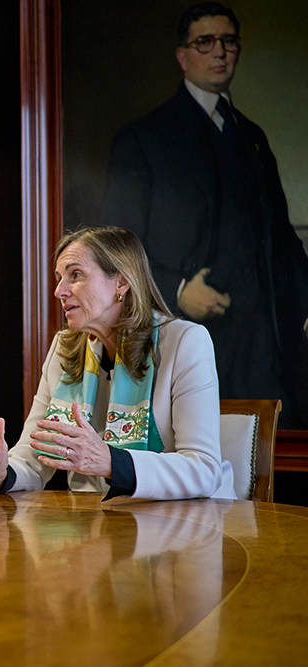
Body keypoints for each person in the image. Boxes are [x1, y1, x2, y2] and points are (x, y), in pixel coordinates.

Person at [98, 2, 308, 428]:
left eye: (228, 42)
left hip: (262, 341)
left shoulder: (251, 137)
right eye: (205, 42)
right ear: (182, 56)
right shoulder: (145, 137)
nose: (219, 52)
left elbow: (282, 238)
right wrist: (176, 290)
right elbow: (117, 245)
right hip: (186, 337)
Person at [0, 227, 234, 500]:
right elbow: (32, 458)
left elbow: (204, 470)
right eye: (59, 278)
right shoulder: (64, 348)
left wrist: (111, 462)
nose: (59, 291)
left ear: (121, 283)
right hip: (95, 527)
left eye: (75, 275)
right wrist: (2, 474)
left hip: (185, 525)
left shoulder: (185, 342)